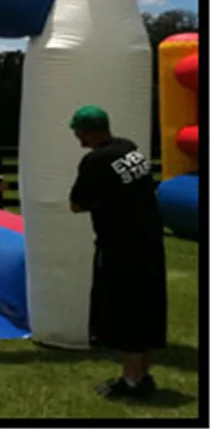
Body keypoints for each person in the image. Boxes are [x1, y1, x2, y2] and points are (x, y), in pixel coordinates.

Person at [68, 105, 167, 400]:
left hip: (120, 245)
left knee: (126, 311)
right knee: (146, 307)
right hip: (149, 241)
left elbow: (77, 204)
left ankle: (132, 381)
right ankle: (143, 374)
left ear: (89, 131)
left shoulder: (95, 160)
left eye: (79, 131)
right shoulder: (129, 148)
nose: (77, 137)